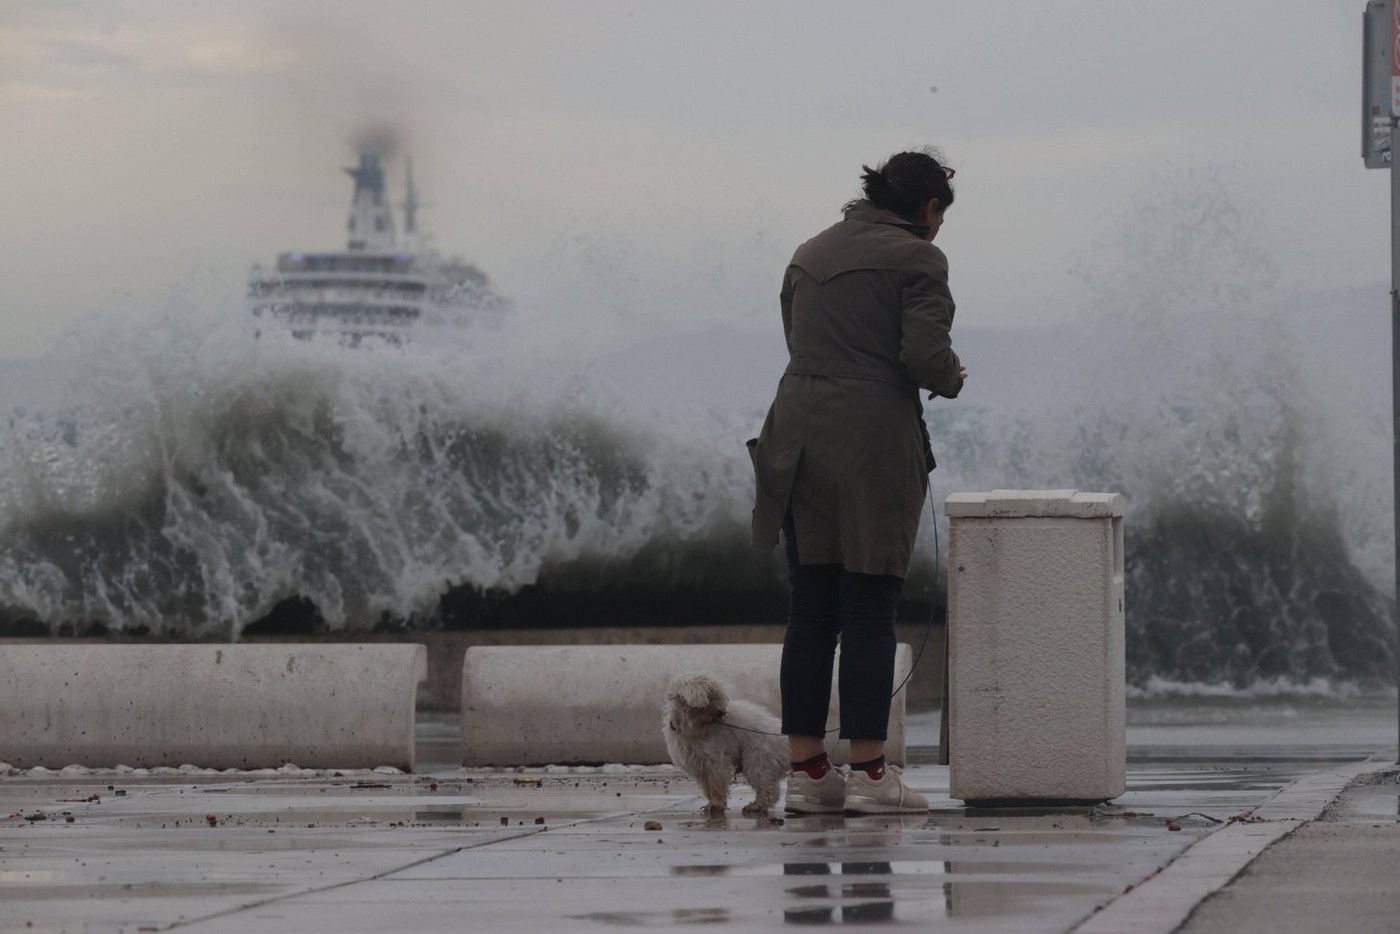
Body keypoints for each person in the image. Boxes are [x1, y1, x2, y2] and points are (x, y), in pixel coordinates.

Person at [749, 149, 965, 814]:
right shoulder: (920, 258)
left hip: (796, 432)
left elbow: (800, 342)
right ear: (929, 209)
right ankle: (871, 776)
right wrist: (952, 378)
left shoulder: (808, 253)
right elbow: (924, 357)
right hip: (870, 439)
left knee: (812, 605)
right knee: (870, 602)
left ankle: (810, 776)